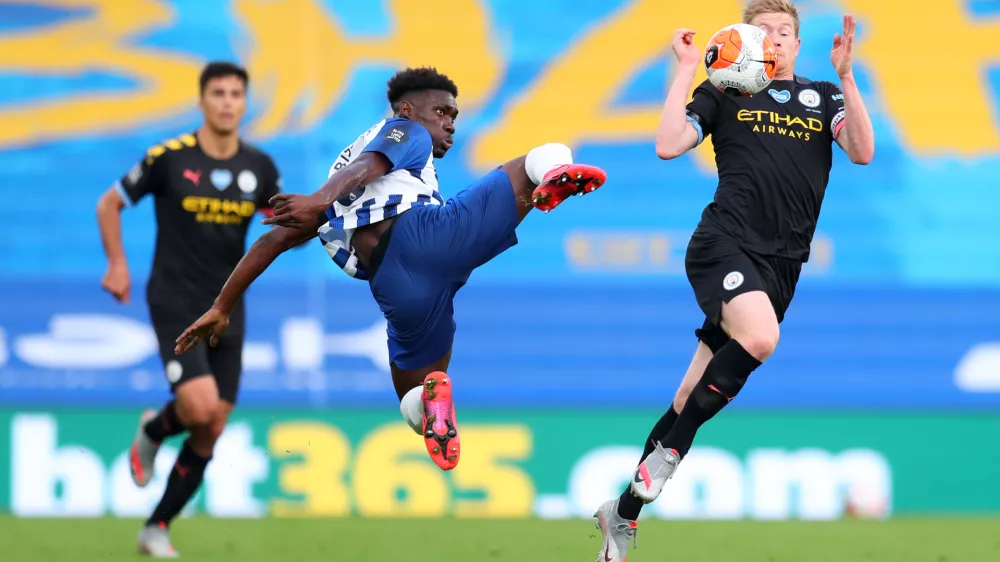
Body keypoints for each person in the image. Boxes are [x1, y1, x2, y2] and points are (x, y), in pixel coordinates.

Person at [174, 66, 607, 472]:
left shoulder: (346, 167)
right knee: (539, 156)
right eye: (442, 112)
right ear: (407, 110)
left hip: (395, 287)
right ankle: (554, 175)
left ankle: (429, 408)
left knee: (417, 389)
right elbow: (370, 166)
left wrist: (222, 305)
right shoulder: (406, 132)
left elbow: (273, 240)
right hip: (426, 238)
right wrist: (321, 199)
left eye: (454, 115)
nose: (450, 123)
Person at [593, 2, 875, 559]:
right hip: (722, 245)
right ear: (748, 41)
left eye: (785, 32)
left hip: (781, 265)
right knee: (762, 339)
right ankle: (671, 453)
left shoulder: (824, 96)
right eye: (763, 31)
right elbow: (669, 143)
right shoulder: (726, 89)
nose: (774, 39)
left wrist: (846, 74)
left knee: (685, 395)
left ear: (796, 46)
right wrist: (684, 67)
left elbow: (862, 152)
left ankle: (621, 515)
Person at [96, 61, 283, 558]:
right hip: (176, 298)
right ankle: (155, 430)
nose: (226, 101)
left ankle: (155, 526)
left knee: (213, 424)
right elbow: (108, 204)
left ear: (245, 103)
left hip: (227, 304)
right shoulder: (169, 158)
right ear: (202, 101)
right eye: (217, 93)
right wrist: (117, 264)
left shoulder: (260, 168)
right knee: (198, 408)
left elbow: (282, 226)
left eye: (235, 94)